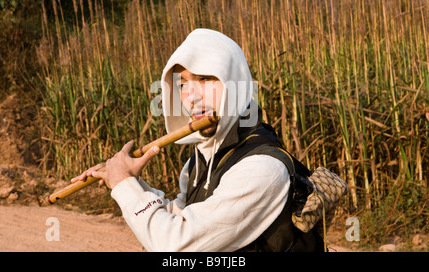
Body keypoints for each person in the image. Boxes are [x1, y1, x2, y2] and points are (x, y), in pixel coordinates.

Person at [72, 28, 323, 251]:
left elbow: (175, 246)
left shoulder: (261, 169)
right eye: (182, 84)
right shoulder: (199, 159)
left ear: (236, 84)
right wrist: (133, 182)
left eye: (205, 79)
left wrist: (124, 184)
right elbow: (185, 219)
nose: (191, 98)